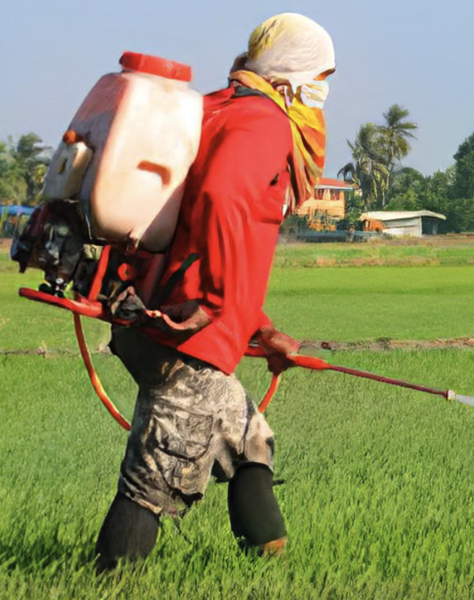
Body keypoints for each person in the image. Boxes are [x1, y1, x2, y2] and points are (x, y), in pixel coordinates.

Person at [94, 13, 335, 570]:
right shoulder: (265, 120)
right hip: (186, 330)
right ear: (294, 76)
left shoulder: (215, 106)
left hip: (150, 310)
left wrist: (259, 328)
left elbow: (198, 238)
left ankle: (270, 563)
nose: (323, 91)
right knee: (156, 471)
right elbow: (224, 200)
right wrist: (226, 305)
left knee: (248, 437)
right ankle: (103, 581)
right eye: (322, 75)